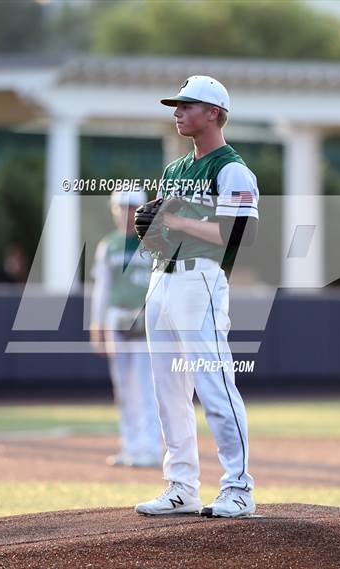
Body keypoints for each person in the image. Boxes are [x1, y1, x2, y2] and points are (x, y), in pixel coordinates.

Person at [135, 75, 259, 517]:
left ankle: (239, 488)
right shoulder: (174, 170)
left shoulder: (232, 169)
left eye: (187, 105)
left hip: (201, 281)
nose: (177, 112)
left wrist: (176, 220)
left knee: (214, 384)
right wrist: (156, 231)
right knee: (168, 390)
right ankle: (182, 486)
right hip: (162, 279)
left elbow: (237, 235)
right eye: (176, 105)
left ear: (214, 113)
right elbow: (165, 232)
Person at [90, 191, 163, 468]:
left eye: (131, 207)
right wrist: (96, 327)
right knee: (123, 387)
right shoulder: (108, 245)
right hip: (117, 319)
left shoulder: (155, 240)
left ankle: (151, 447)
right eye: (120, 208)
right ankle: (131, 445)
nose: (125, 213)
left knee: (145, 384)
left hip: (146, 319)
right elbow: (101, 290)